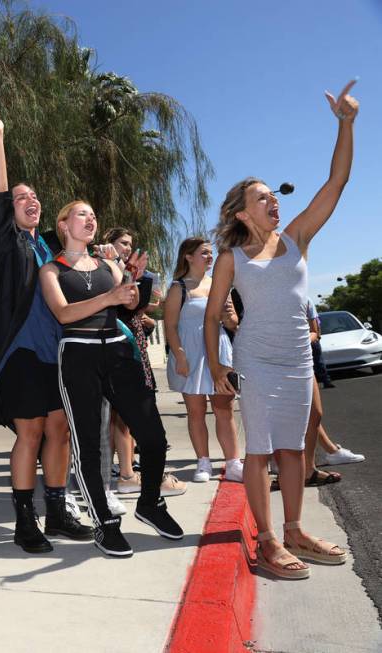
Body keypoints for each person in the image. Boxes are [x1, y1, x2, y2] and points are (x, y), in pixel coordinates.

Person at [204, 80, 358, 578]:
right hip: (257, 362)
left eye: (274, 196)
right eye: (263, 198)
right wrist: (215, 364)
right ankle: (267, 541)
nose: (274, 203)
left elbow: (335, 183)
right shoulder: (232, 258)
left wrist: (345, 125)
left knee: (295, 450)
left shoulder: (295, 239)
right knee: (260, 453)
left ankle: (294, 530)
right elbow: (212, 315)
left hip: (296, 361)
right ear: (242, 213)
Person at [0, 110, 92, 555]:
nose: (29, 200)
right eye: (21, 198)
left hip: (53, 354)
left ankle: (55, 510)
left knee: (61, 429)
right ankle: (24, 521)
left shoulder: (45, 248)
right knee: (31, 431)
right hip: (17, 354)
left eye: (34, 196)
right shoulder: (5, 242)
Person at [38, 201, 184, 558]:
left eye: (94, 214)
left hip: (119, 351)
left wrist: (134, 280)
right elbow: (63, 313)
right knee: (88, 443)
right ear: (63, 225)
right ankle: (105, 523)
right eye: (82, 214)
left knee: (153, 436)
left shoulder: (107, 264)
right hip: (78, 353)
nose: (91, 219)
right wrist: (113, 295)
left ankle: (150, 503)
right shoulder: (51, 271)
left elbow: (131, 305)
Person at [103, 228, 186, 500]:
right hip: (116, 346)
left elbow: (143, 305)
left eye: (130, 243)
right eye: (122, 243)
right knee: (122, 415)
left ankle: (129, 470)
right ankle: (126, 474)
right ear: (109, 243)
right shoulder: (103, 269)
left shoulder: (129, 271)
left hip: (134, 342)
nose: (127, 248)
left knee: (127, 416)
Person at [163, 237, 243, 483]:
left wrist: (229, 318)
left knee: (224, 409)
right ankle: (204, 463)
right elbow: (170, 326)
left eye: (211, 253)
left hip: (219, 352)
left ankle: (232, 463)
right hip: (190, 354)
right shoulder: (179, 287)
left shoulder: (220, 284)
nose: (210, 257)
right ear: (188, 256)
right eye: (204, 253)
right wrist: (179, 355)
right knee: (195, 411)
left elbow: (233, 324)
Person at [306, 298, 335, 388]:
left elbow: (316, 321)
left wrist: (318, 336)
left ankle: (326, 381)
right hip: (299, 339)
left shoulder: (307, 300)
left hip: (312, 338)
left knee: (318, 361)